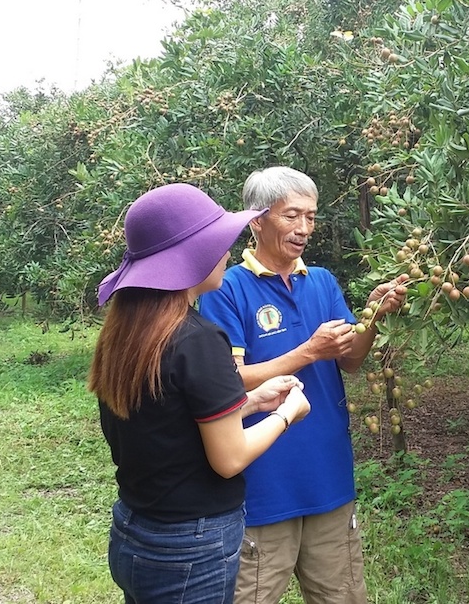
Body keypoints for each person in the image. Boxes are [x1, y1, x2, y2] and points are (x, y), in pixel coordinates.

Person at [89, 182, 311, 604]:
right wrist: (286, 414)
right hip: (191, 545)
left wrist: (253, 400)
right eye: (219, 242)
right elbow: (228, 459)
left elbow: (168, 421)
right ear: (191, 255)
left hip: (136, 529)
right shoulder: (198, 339)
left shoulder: (128, 333)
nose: (227, 251)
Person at [198, 166, 408, 604]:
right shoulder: (227, 289)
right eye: (292, 215)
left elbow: (350, 360)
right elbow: (228, 381)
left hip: (328, 479)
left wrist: (373, 316)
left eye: (311, 217)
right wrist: (308, 351)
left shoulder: (323, 282)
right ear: (257, 220)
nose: (304, 228)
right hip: (263, 486)